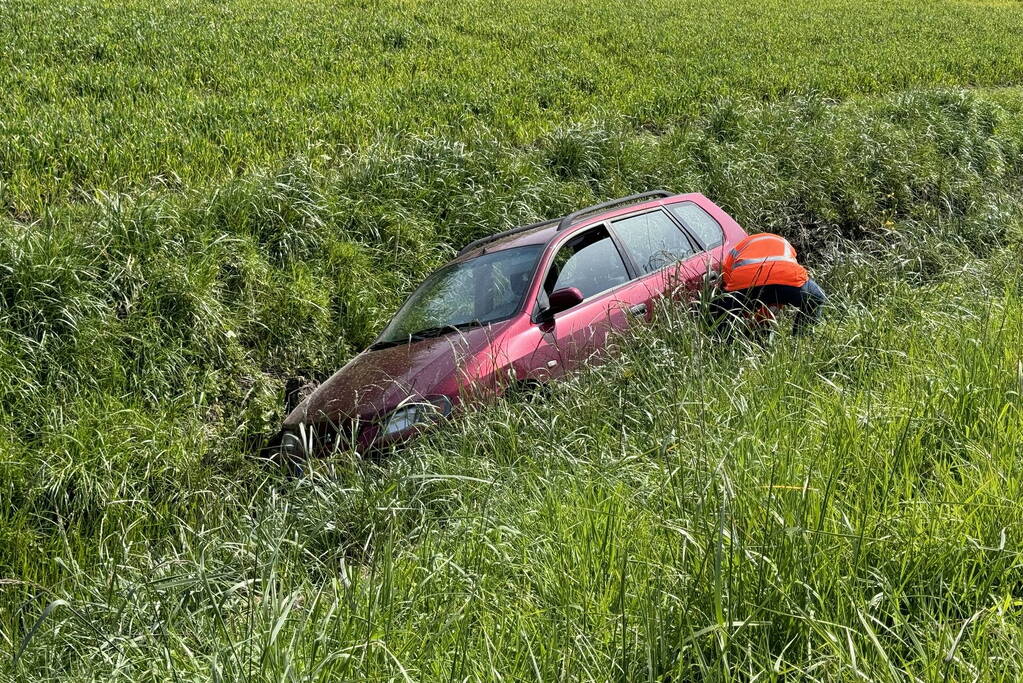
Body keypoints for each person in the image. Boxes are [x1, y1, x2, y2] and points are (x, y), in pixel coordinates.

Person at [711, 232, 826, 336]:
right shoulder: (784, 244)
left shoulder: (739, 247)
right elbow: (777, 292)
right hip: (786, 276)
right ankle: (802, 338)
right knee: (816, 297)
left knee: (723, 311)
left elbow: (728, 280)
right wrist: (761, 322)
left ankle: (720, 344)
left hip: (747, 281)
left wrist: (747, 316)